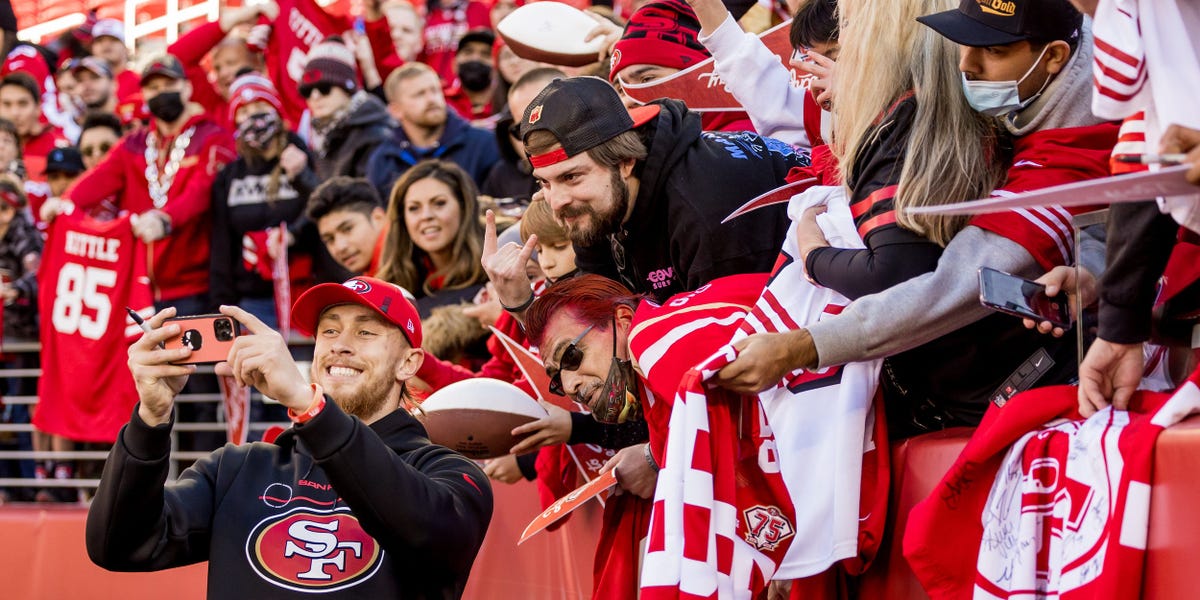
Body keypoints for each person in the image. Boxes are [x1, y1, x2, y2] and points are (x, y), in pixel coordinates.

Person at [716, 0, 1118, 437]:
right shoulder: (1035, 90)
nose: (965, 64)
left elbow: (946, 286)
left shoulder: (1066, 159)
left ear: (1054, 56)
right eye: (962, 41)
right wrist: (1095, 269)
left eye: (993, 50)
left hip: (1044, 388)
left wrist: (801, 342)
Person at [86, 276, 494, 597]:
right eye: (328, 332)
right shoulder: (238, 468)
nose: (340, 346)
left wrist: (308, 405)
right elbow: (119, 545)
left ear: (409, 363)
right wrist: (151, 418)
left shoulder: (450, 473)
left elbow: (431, 533)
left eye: (366, 333)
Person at [487, 75, 805, 312]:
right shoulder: (594, 204)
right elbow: (601, 318)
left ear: (626, 162)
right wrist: (520, 303)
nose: (557, 202)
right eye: (545, 183)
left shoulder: (704, 209)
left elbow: (724, 349)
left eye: (571, 177)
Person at [210, 73, 318, 329]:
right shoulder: (229, 177)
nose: (254, 117)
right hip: (252, 300)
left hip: (305, 291)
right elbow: (222, 247)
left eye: (260, 106)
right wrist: (221, 309)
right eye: (244, 111)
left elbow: (324, 209)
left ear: (276, 111)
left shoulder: (305, 159)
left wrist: (293, 233)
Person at [689, 0, 836, 148]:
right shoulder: (812, 109)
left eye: (835, 57)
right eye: (816, 62)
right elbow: (755, 77)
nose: (824, 70)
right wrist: (704, 6)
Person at [610, 0, 754, 133]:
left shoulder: (746, 140)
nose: (629, 101)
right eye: (621, 90)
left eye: (647, 80)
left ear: (699, 76)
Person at [367, 62, 498, 200]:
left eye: (435, 90)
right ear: (396, 110)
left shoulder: (485, 144)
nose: (432, 99)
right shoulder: (383, 160)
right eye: (419, 94)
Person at [377, 159, 488, 315]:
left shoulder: (497, 271)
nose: (426, 216)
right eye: (414, 208)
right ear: (403, 219)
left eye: (439, 203)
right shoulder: (394, 293)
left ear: (464, 207)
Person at [302, 37, 394, 180]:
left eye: (324, 88)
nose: (315, 97)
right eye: (307, 91)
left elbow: (360, 193)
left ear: (347, 87)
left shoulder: (373, 135)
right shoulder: (327, 132)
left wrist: (302, 176)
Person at [480, 67, 560, 209]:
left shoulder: (597, 156)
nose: (534, 135)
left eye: (543, 119)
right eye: (521, 129)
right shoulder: (502, 176)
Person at [308, 176, 388, 278]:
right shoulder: (370, 279)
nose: (340, 247)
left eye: (347, 229)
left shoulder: (405, 267)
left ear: (378, 218)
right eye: (330, 239)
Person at [443, 29, 496, 121]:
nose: (475, 58)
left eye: (485, 54)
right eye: (468, 52)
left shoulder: (509, 105)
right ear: (454, 65)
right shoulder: (442, 103)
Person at [89, 19, 140, 107]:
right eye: (100, 41)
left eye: (113, 40)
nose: (106, 45)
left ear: (126, 47)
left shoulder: (138, 82)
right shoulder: (86, 84)